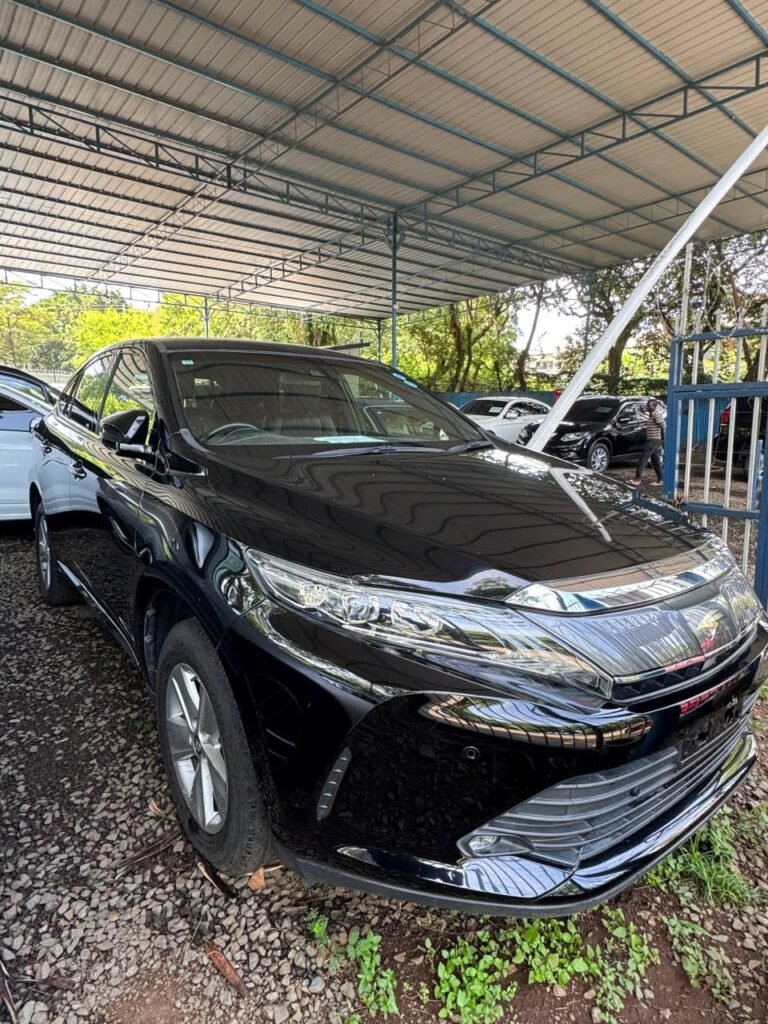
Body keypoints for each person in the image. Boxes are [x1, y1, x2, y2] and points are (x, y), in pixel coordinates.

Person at [630, 399, 665, 487]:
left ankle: (637, 479)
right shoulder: (651, 413)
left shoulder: (656, 413)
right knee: (655, 460)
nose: (647, 407)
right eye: (647, 405)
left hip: (654, 440)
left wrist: (663, 439)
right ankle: (661, 479)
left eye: (649, 406)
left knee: (643, 458)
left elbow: (663, 426)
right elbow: (644, 409)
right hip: (653, 439)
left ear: (654, 406)